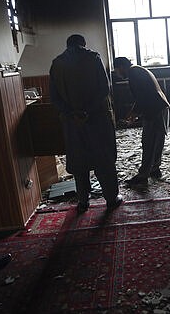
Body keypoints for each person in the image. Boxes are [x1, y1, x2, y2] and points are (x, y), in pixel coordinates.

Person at [50, 34, 122, 213]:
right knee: (103, 159)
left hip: (72, 122)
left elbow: (54, 97)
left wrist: (72, 113)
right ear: (83, 43)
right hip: (96, 119)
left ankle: (83, 200)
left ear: (67, 45)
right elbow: (104, 89)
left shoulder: (57, 64)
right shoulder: (93, 58)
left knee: (78, 160)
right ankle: (111, 199)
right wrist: (87, 111)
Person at [113, 57, 170, 186]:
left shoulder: (134, 73)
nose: (117, 74)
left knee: (149, 142)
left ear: (121, 67)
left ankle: (143, 175)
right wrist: (133, 113)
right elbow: (143, 95)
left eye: (116, 71)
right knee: (156, 142)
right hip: (159, 107)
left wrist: (134, 114)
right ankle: (155, 169)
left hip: (155, 110)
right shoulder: (138, 70)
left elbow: (142, 97)